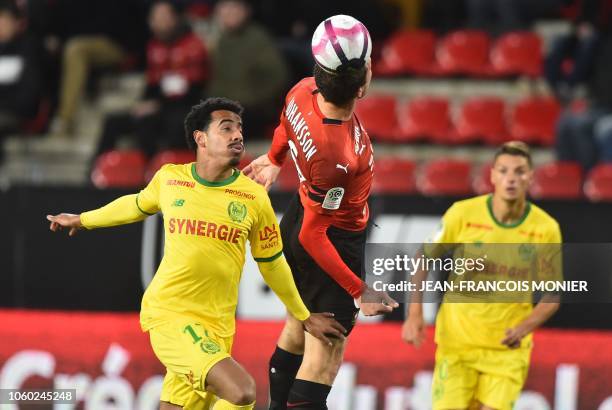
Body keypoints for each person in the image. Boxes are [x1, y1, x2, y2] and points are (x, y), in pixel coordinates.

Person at [47, 97, 346, 410]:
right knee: (241, 393)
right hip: (171, 315)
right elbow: (135, 206)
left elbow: (272, 263)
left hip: (217, 327)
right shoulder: (171, 179)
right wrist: (83, 219)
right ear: (201, 138)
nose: (238, 136)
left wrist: (302, 315)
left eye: (240, 129)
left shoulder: (254, 198)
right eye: (226, 128)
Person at [244, 15, 397, 410]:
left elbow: (285, 124)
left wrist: (276, 158)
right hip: (329, 241)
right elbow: (316, 235)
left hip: (297, 217)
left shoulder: (302, 90)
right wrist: (358, 290)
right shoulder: (339, 156)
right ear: (362, 84)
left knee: (297, 327)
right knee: (322, 361)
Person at [402, 142, 562, 410]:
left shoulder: (545, 228)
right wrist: (415, 312)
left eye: (520, 172)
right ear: (492, 175)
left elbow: (552, 296)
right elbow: (424, 257)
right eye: (504, 171)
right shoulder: (464, 214)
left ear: (531, 177)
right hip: (458, 346)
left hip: (505, 353)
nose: (511, 178)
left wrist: (525, 327)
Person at [92, 0, 209, 161]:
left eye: (163, 16)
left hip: (184, 107)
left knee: (155, 123)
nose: (157, 22)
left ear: (176, 18)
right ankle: (95, 173)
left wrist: (157, 105)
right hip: (159, 107)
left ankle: (155, 174)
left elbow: (192, 89)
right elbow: (153, 84)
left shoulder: (193, 46)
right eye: (154, 17)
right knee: (113, 122)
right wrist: (145, 104)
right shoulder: (153, 46)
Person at [207, 0, 289, 138]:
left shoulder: (258, 39)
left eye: (235, 7)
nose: (230, 12)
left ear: (246, 11)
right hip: (221, 108)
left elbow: (278, 77)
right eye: (225, 7)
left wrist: (252, 100)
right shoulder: (217, 41)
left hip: (252, 111)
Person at [0, 0, 43, 150]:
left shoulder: (28, 49)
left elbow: (30, 93)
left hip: (15, 113)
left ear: (17, 22)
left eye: (4, 19)